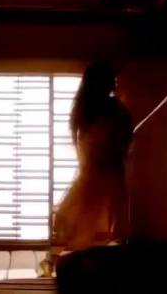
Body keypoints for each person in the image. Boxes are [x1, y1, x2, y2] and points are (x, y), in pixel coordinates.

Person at [55, 62, 133, 250]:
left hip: (101, 173)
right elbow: (120, 139)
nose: (113, 85)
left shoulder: (86, 111)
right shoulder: (104, 110)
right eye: (111, 81)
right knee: (93, 230)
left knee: (97, 230)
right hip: (101, 173)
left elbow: (123, 139)